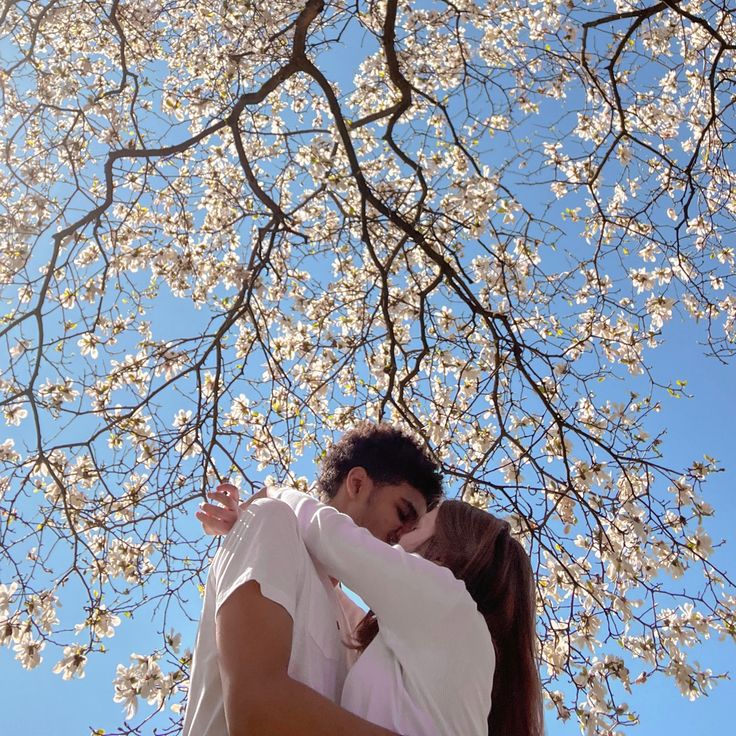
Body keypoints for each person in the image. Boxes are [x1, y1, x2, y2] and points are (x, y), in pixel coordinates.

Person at [206, 485, 544, 736]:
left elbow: (328, 532)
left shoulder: (448, 601)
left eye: (418, 526)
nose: (398, 539)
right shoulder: (447, 648)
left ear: (449, 544)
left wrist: (274, 493)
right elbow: (335, 608)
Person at [182, 422, 443, 736]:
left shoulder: (359, 628)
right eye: (402, 514)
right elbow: (258, 709)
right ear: (358, 484)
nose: (403, 539)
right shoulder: (271, 522)